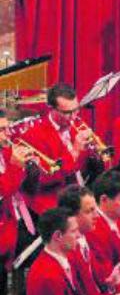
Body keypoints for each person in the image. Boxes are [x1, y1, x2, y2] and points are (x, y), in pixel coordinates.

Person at [19, 83, 105, 214]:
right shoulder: (33, 135)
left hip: (80, 193)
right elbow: (44, 179)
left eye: (76, 110)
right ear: (51, 109)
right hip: (52, 200)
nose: (73, 116)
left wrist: (95, 155)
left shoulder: (77, 123)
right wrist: (75, 151)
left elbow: (86, 167)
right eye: (67, 112)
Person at [0, 110, 35, 295]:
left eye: (7, 128)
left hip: (18, 223)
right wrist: (15, 166)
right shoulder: (9, 157)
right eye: (2, 129)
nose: (8, 134)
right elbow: (3, 191)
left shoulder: (6, 152)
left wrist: (31, 170)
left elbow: (28, 189)